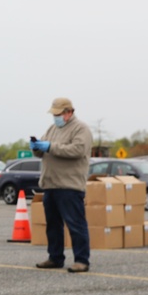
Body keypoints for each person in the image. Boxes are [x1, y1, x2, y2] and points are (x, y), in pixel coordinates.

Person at [31, 97, 93, 273]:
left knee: (76, 224)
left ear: (69, 113)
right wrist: (36, 147)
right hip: (51, 185)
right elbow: (43, 151)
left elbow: (78, 150)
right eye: (54, 114)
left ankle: (82, 260)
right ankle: (55, 257)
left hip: (70, 186)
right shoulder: (52, 129)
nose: (55, 117)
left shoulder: (81, 129)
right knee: (53, 225)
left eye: (58, 114)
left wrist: (50, 146)